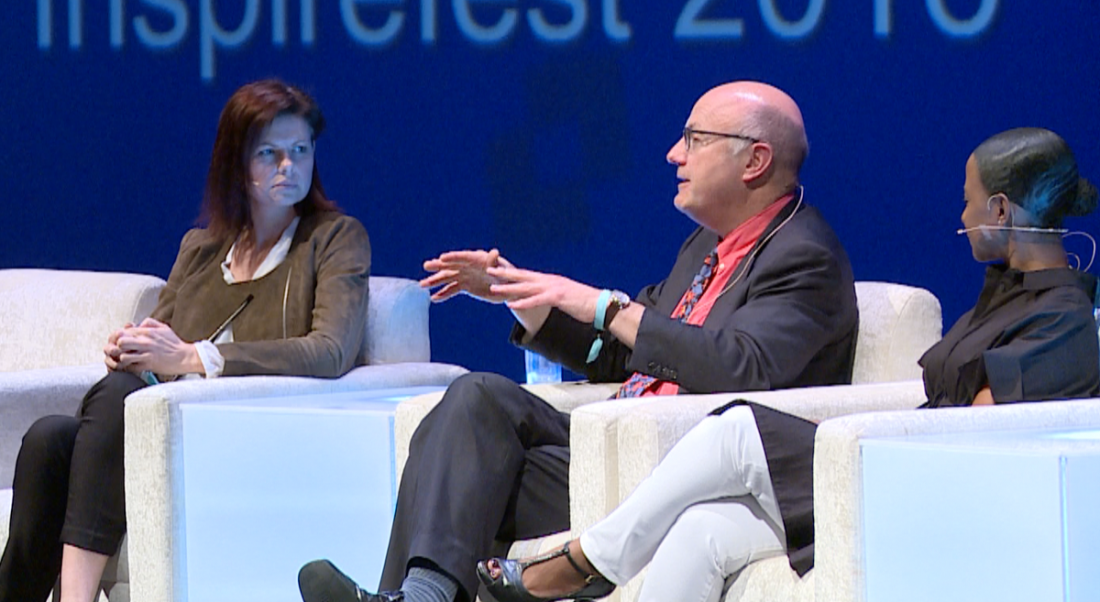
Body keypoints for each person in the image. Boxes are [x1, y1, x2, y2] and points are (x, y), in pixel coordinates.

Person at [476, 126, 1100, 602]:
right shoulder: (1005, 292)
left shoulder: (1064, 321)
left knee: (736, 426)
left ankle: (585, 561)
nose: (960, 218)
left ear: (999, 211)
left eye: (969, 204)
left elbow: (976, 435)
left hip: (928, 490)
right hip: (900, 469)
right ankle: (588, 563)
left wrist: (880, 441)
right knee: (704, 529)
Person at [299, 81, 858, 602]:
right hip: (607, 438)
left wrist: (602, 304)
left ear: (755, 160)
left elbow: (744, 367)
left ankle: (417, 595)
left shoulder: (803, 256)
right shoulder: (703, 248)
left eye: (694, 139)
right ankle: (420, 595)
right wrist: (531, 302)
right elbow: (626, 352)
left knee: (461, 479)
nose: (673, 154)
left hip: (674, 461)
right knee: (473, 406)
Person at [0, 79, 371, 602]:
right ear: (236, 162)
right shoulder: (201, 249)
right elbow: (159, 339)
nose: (289, 167)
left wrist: (196, 357)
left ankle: (75, 599)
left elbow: (329, 351)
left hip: (244, 435)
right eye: (269, 153)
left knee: (111, 402)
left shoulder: (334, 239)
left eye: (300, 151)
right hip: (163, 433)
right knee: (48, 441)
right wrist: (131, 348)